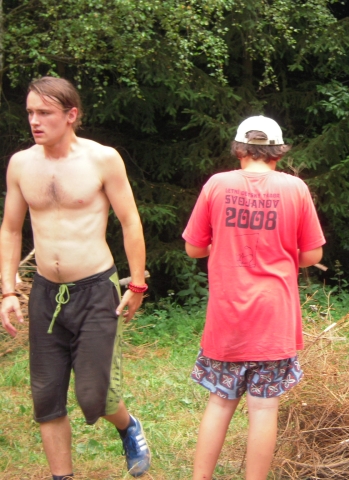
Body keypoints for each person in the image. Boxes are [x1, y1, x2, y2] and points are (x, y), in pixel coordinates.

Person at [0, 77, 151, 478]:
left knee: (94, 395)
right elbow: (11, 229)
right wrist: (8, 290)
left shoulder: (102, 159)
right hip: (46, 294)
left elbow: (129, 221)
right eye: (30, 112)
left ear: (71, 115)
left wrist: (137, 283)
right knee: (46, 396)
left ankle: (128, 426)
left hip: (96, 290)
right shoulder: (21, 164)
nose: (34, 121)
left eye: (44, 113)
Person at [183, 115, 325, 480]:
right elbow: (313, 255)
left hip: (227, 316)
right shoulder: (295, 188)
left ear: (239, 149)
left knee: (219, 402)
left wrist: (222, 246)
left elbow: (193, 248)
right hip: (274, 317)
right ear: (279, 151)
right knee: (263, 409)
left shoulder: (217, 184)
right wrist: (282, 254)